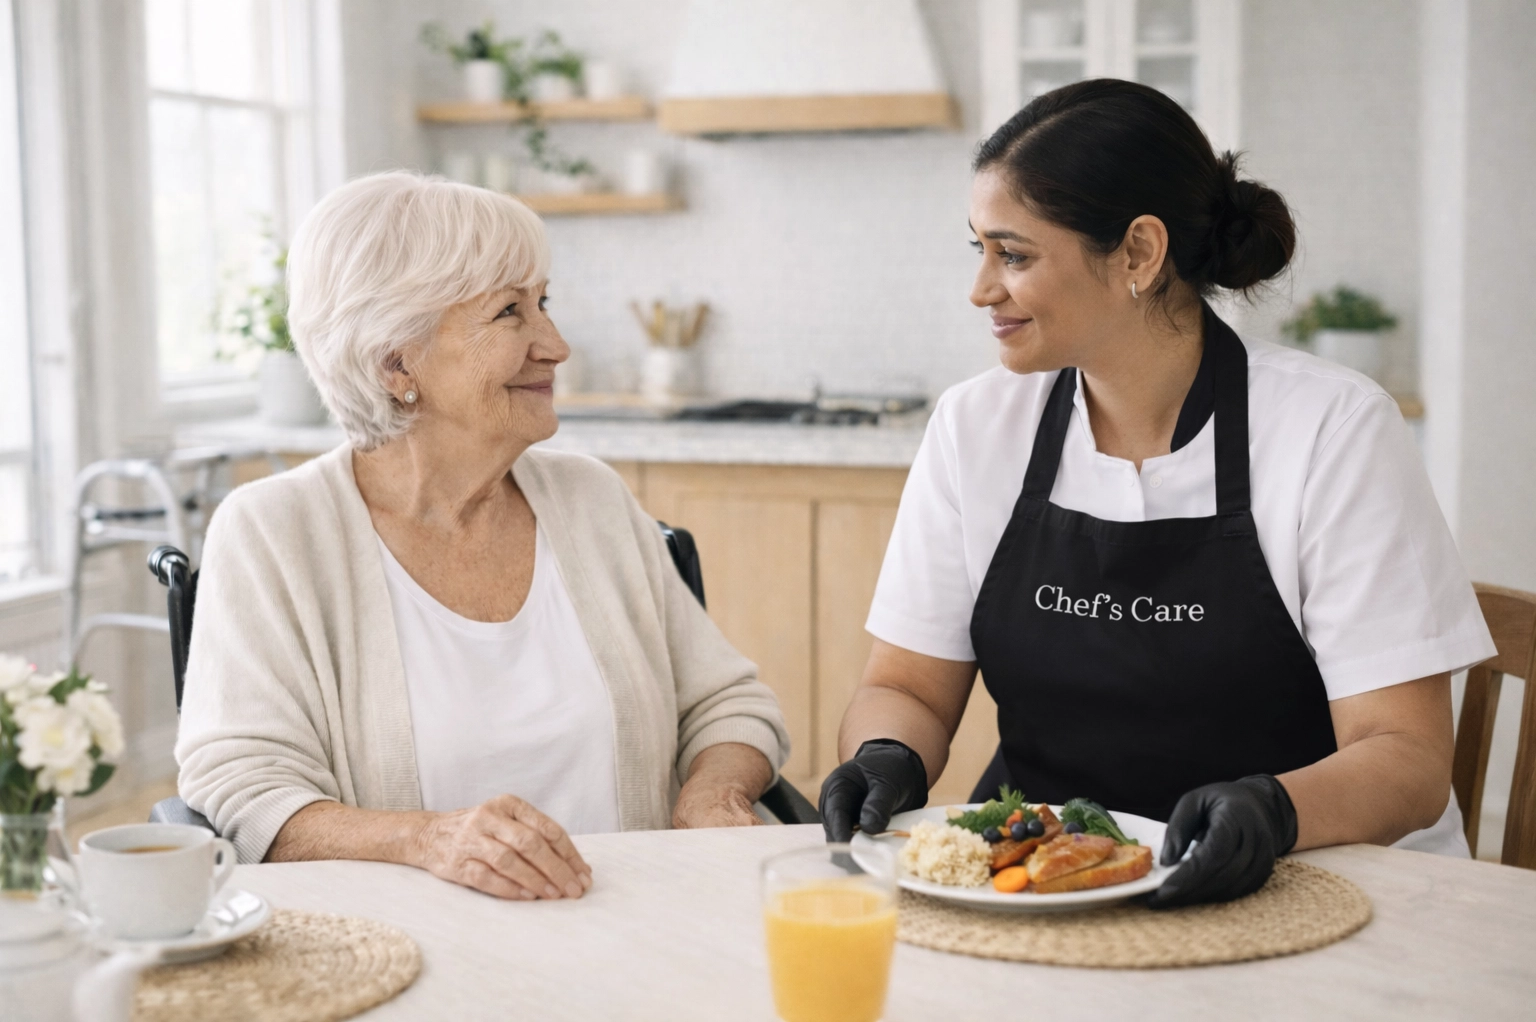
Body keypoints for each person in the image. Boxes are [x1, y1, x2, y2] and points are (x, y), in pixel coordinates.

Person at [819, 79, 1495, 907]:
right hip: (1050, 883)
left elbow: (1408, 759)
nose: (982, 288)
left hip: (1320, 881)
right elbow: (908, 687)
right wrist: (886, 755)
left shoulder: (1331, 428)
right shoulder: (975, 426)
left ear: (1139, 252)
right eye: (980, 250)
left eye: (1016, 254)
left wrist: (1276, 810)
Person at [176, 172, 790, 901]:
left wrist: (711, 794)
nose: (555, 344)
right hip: (398, 950)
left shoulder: (591, 500)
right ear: (395, 362)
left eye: (544, 303)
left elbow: (730, 706)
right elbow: (242, 784)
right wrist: (425, 840)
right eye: (509, 313)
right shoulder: (274, 533)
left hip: (644, 927)